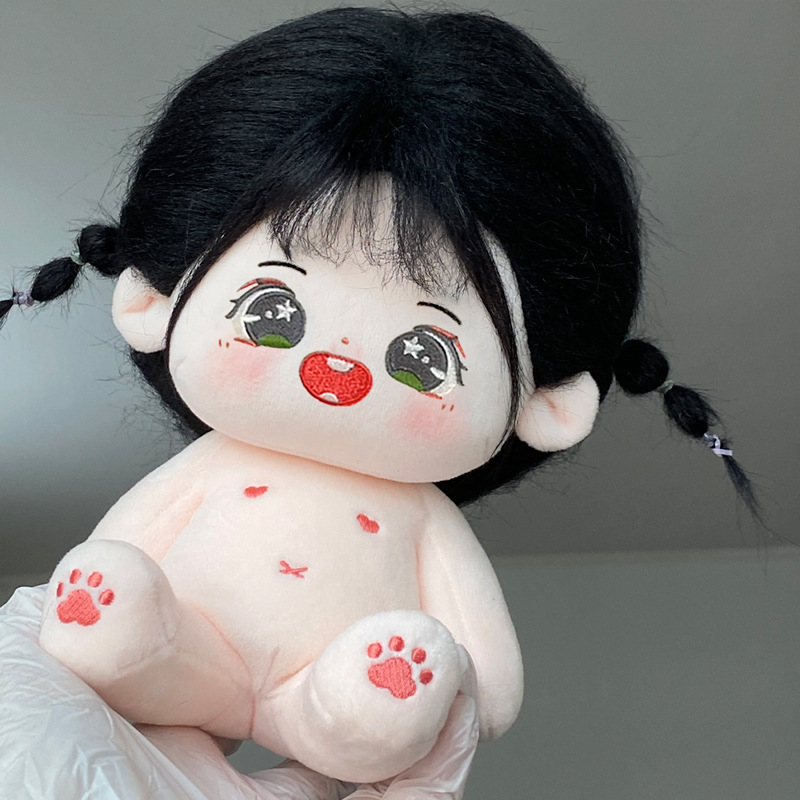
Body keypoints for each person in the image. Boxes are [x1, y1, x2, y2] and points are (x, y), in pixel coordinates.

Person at [0, 7, 755, 797]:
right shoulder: (211, 468)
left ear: (547, 404)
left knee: (365, 700)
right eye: (274, 311)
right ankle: (136, 637)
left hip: (314, 689)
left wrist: (483, 689)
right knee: (121, 598)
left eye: (424, 357)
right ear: (150, 304)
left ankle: (360, 700)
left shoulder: (422, 517)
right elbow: (123, 544)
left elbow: (490, 686)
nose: (338, 368)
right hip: (190, 651)